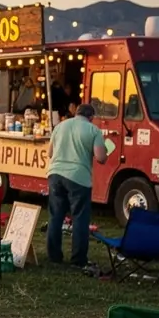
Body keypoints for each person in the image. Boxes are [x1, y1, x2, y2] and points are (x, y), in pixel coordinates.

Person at [46, 103, 107, 274]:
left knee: (56, 216)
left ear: (76, 113)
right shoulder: (93, 130)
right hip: (78, 178)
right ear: (91, 117)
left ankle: (54, 256)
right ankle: (78, 259)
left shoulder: (60, 126)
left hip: (55, 174)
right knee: (80, 218)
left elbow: (50, 153)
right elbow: (101, 157)